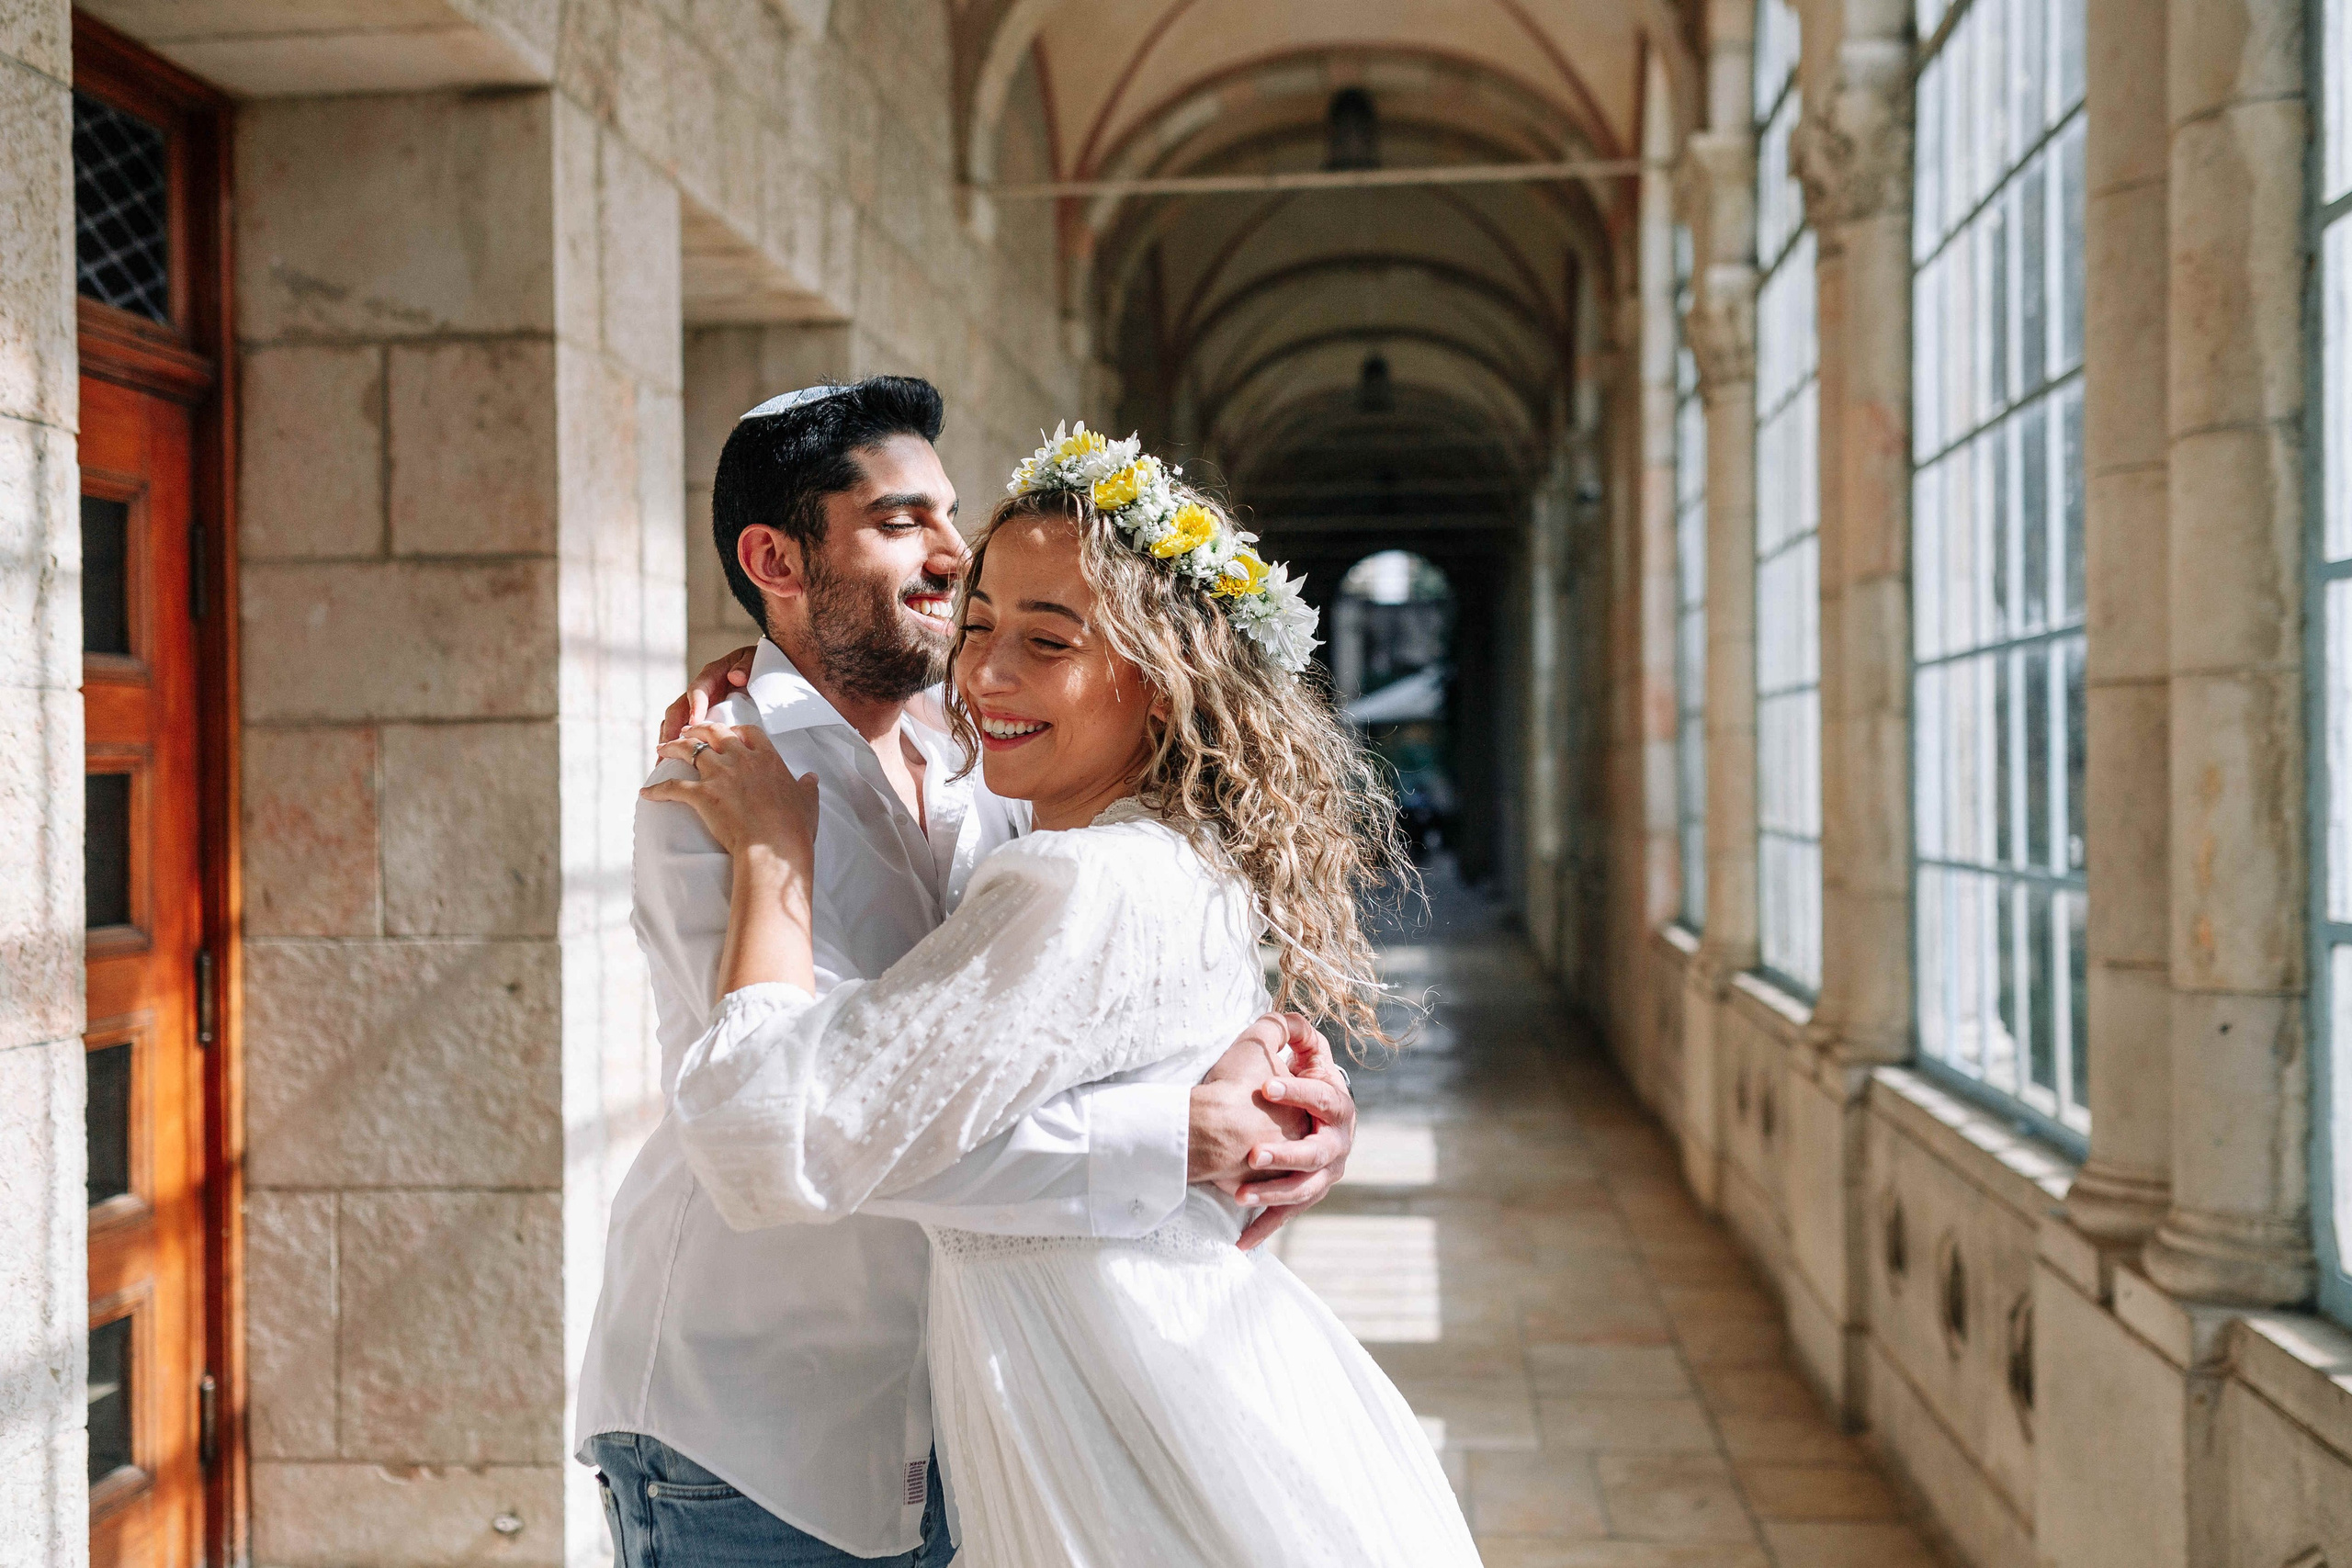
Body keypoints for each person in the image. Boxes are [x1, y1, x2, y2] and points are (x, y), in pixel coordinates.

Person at [650, 423, 1483, 1566]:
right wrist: (1178, 1135)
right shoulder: (1081, 812)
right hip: (795, 1433)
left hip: (1128, 1419)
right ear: (773, 562)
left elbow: (771, 1130)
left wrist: (772, 862)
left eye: (1046, 640)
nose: (981, 662)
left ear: (1167, 675)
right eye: (979, 622)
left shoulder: (1068, 858)